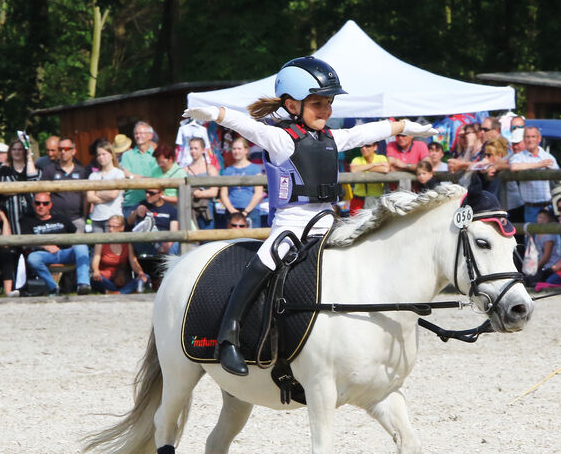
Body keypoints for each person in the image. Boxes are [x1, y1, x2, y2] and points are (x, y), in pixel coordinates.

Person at [182, 55, 435, 375]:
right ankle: (228, 336)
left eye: (328, 103)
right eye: (318, 104)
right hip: (291, 223)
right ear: (292, 105)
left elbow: (366, 132)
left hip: (328, 220)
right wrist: (214, 113)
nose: (326, 111)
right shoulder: (280, 139)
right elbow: (245, 124)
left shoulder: (332, 138)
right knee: (264, 264)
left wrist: (404, 126)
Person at [20, 192, 90, 296]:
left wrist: (75, 246)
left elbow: (75, 235)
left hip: (65, 253)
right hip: (45, 255)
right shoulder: (27, 220)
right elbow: (26, 241)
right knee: (33, 258)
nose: (41, 206)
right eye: (38, 203)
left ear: (50, 205)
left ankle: (83, 284)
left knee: (82, 246)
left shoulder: (61, 218)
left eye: (45, 203)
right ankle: (53, 287)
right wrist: (45, 246)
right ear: (33, 204)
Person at [509, 126, 559, 222]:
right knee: (531, 231)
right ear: (524, 139)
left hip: (548, 206)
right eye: (527, 137)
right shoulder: (518, 157)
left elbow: (559, 177)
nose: (530, 140)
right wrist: (540, 164)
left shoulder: (548, 157)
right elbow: (514, 167)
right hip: (530, 207)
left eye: (533, 137)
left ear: (539, 139)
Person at [90, 215, 149, 294]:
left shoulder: (126, 243)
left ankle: (116, 292)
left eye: (114, 227)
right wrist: (96, 271)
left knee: (145, 277)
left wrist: (140, 272)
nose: (110, 229)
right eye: (109, 226)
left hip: (122, 279)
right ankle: (125, 291)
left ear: (122, 228)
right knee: (95, 279)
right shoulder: (101, 242)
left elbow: (133, 260)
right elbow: (95, 259)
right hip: (105, 278)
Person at [41, 137, 88, 232]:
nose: (63, 152)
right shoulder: (49, 170)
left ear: (74, 151)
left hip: (77, 219)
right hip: (55, 220)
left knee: (80, 243)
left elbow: (85, 196)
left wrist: (85, 216)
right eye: (60, 149)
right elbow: (45, 195)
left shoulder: (82, 171)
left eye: (66, 149)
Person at [0, 138, 41, 235]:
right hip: (12, 212)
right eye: (14, 149)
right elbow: (4, 191)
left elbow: (35, 184)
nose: (17, 152)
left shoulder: (35, 168)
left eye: (20, 149)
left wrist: (29, 158)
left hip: (32, 210)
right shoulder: (4, 170)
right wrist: (26, 188)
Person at [120, 121, 162, 220]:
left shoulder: (157, 155)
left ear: (150, 136)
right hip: (131, 202)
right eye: (136, 133)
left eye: (141, 133)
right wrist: (146, 179)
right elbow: (125, 177)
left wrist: (132, 176)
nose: (138, 136)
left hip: (153, 203)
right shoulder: (126, 155)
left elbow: (157, 179)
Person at [220, 138, 264, 228]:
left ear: (246, 150)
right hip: (231, 211)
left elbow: (258, 193)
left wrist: (246, 211)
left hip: (252, 211)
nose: (236, 151)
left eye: (239, 149)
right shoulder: (227, 170)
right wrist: (232, 210)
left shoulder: (255, 169)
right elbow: (223, 194)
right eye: (234, 149)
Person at [86, 140, 126, 232]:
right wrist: (105, 195)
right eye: (99, 155)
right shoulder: (93, 175)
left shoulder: (118, 173)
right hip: (96, 218)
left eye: (104, 154)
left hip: (113, 217)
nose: (101, 157)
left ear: (111, 155)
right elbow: (89, 197)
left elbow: (112, 195)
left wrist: (97, 192)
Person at [126, 187, 179, 255]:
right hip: (144, 240)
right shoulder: (141, 204)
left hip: (162, 241)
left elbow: (173, 232)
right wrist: (136, 212)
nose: (147, 195)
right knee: (143, 228)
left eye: (151, 193)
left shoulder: (171, 209)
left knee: (176, 245)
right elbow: (129, 222)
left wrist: (169, 243)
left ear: (161, 193)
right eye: (146, 192)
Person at [185, 137, 219, 229]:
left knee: (207, 235)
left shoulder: (211, 169)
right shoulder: (185, 169)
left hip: (206, 207)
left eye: (196, 148)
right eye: (191, 148)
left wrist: (200, 193)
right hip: (189, 207)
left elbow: (214, 192)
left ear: (203, 150)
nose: (193, 151)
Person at [524, 207, 561, 287]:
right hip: (542, 264)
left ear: (549, 219)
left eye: (544, 218)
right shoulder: (538, 231)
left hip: (551, 265)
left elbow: (546, 256)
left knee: (531, 279)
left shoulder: (549, 233)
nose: (541, 220)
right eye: (539, 217)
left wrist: (535, 267)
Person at [349, 141, 390, 213]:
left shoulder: (381, 158)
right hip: (358, 198)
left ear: (375, 147)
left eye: (367, 146)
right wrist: (374, 165)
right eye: (361, 146)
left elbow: (385, 169)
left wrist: (363, 168)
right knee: (354, 219)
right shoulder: (357, 159)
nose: (364, 148)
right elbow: (354, 170)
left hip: (376, 198)